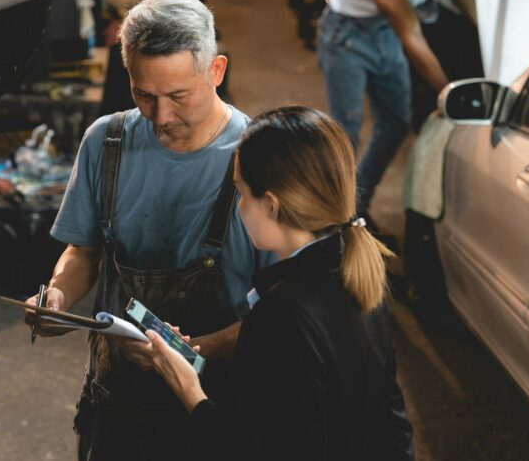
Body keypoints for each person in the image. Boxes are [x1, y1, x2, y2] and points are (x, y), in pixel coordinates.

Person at [25, 0, 274, 461]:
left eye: (179, 96)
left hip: (215, 411)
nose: (161, 116)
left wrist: (194, 349)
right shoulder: (107, 143)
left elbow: (285, 312)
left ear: (216, 71)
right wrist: (57, 297)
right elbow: (84, 251)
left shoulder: (262, 158)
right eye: (144, 94)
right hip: (117, 402)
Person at [145, 106, 414, 460]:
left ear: (271, 205)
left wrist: (189, 390)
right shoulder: (360, 277)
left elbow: (255, 449)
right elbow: (393, 422)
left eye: (241, 192)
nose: (240, 206)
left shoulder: (283, 313)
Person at [317, 0, 457, 221]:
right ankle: (339, 220)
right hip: (348, 37)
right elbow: (411, 35)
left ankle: (357, 205)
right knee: (346, 131)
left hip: (386, 34)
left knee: (396, 124)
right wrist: (448, 92)